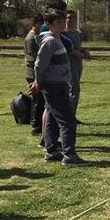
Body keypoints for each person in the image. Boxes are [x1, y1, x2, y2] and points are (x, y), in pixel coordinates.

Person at [31, 10, 86, 166]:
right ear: (49, 24)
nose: (62, 24)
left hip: (58, 84)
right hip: (54, 86)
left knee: (53, 119)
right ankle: (69, 155)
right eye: (58, 22)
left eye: (63, 21)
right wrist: (38, 83)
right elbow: (39, 65)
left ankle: (52, 150)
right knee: (68, 120)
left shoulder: (58, 39)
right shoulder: (49, 41)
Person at [63, 10, 91, 121]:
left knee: (74, 90)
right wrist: (74, 52)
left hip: (78, 65)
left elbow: (78, 47)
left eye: (73, 17)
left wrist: (85, 51)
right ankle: (69, 117)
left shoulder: (78, 34)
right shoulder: (63, 34)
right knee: (74, 89)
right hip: (68, 65)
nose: (71, 20)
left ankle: (72, 115)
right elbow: (62, 49)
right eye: (69, 17)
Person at [24, 13, 45, 136]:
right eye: (40, 23)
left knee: (39, 99)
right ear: (35, 24)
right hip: (33, 72)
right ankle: (36, 125)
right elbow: (34, 57)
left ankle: (38, 123)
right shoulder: (31, 38)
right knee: (37, 99)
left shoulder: (37, 36)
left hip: (37, 71)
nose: (42, 25)